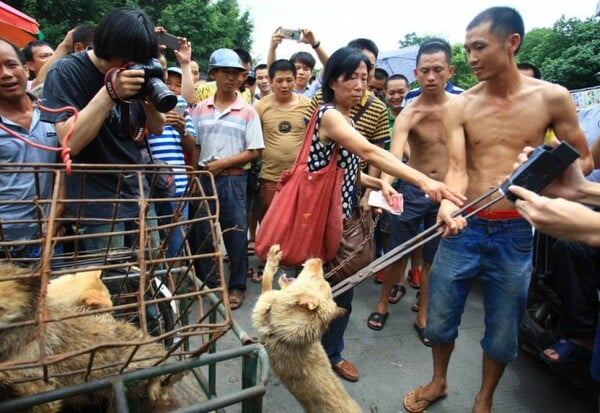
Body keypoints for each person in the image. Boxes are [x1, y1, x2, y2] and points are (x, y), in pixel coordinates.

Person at [403, 7, 593, 413]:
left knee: (504, 333)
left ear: (512, 44)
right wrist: (448, 207)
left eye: (479, 47)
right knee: (438, 322)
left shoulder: (552, 97)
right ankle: (438, 381)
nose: (470, 58)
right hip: (464, 225)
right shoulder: (461, 105)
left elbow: (584, 164)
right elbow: (456, 169)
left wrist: (546, 170)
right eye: (467, 48)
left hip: (515, 232)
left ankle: (484, 398)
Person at [308, 46, 464, 383]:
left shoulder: (345, 118)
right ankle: (309, 355)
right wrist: (422, 179)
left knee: (342, 290)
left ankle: (330, 353)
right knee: (319, 290)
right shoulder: (330, 115)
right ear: (332, 81)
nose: (360, 85)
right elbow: (368, 151)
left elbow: (347, 169)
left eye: (364, 78)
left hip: (342, 218)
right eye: (351, 77)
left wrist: (379, 184)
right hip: (320, 220)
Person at [41, 6, 166, 251]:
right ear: (110, 48)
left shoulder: (135, 70)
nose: (135, 63)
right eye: (130, 57)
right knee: (110, 281)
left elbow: (158, 128)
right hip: (97, 199)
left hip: (135, 189)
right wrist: (110, 92)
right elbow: (70, 142)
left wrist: (151, 102)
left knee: (151, 271)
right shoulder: (66, 71)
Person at [367, 39, 456, 344]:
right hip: (414, 191)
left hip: (447, 196)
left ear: (450, 71)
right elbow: (392, 159)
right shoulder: (408, 113)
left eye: (438, 70)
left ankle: (423, 314)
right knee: (397, 253)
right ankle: (381, 304)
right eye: (426, 70)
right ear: (416, 73)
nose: (431, 76)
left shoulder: (462, 109)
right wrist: (384, 189)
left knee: (434, 261)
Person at [191, 48, 264, 310]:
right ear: (214, 74)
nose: (233, 78)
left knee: (234, 234)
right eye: (227, 73)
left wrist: (222, 163)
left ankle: (236, 287)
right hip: (203, 180)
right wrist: (194, 174)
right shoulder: (199, 109)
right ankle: (209, 286)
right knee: (202, 233)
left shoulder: (247, 111)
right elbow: (195, 145)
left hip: (233, 180)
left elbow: (255, 151)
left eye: (237, 73)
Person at [0, 39, 63, 259]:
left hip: (47, 238)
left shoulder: (53, 113)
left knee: (56, 294)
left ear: (26, 69)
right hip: (4, 245)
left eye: (11, 64)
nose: (6, 74)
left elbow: (64, 172)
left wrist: (55, 221)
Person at [253, 59, 312, 282]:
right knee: (270, 221)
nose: (285, 85)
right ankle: (267, 263)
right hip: (270, 175)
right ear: (271, 81)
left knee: (299, 222)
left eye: (289, 80)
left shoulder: (308, 105)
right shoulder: (261, 106)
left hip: (299, 178)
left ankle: (296, 263)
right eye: (279, 80)